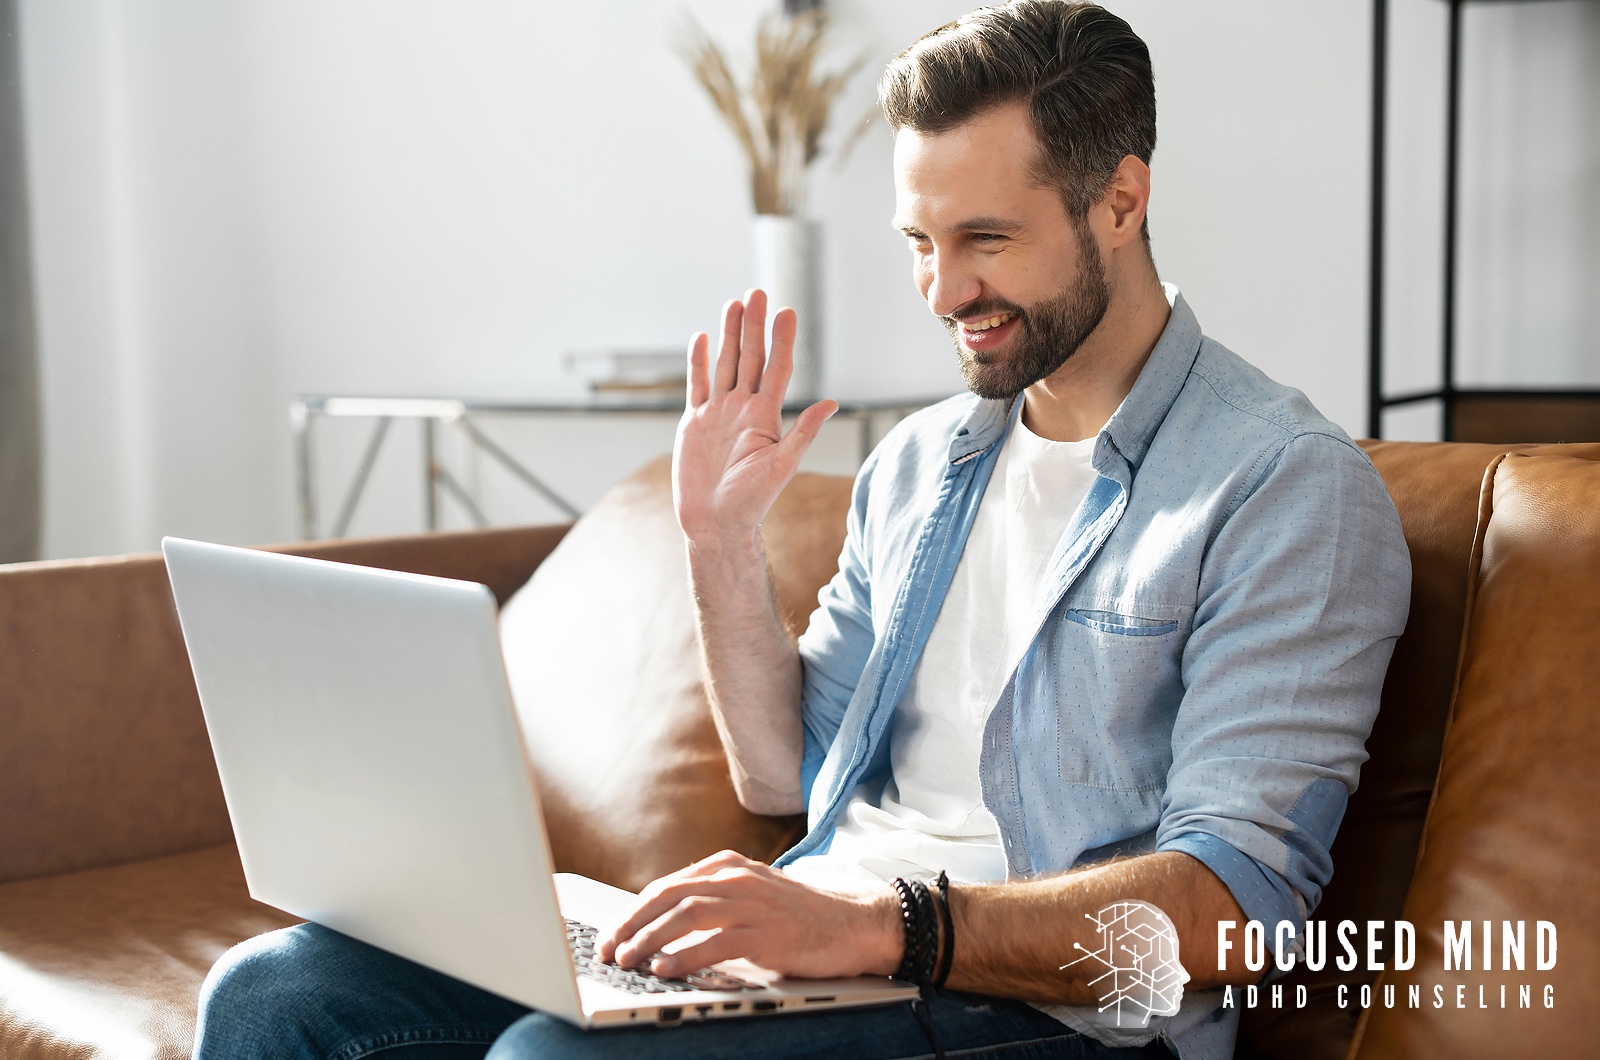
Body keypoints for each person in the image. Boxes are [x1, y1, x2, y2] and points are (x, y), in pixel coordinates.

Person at [192, 3, 1411, 1058]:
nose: (943, 292)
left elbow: (1233, 912)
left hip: (1048, 1018)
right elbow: (785, 774)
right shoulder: (923, 462)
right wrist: (719, 543)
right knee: (279, 995)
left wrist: (883, 926)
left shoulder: (1281, 487)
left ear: (1120, 201)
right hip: (835, 957)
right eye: (920, 244)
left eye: (985, 239)